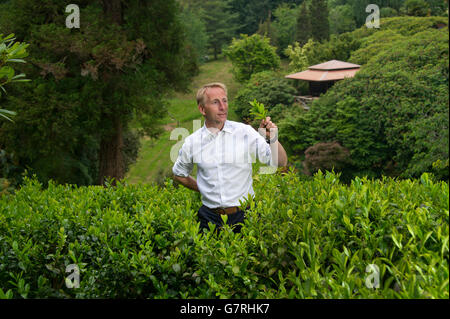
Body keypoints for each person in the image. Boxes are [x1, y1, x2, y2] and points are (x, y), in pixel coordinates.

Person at [172, 82, 287, 233]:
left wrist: (272, 138)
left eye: (225, 100)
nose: (223, 107)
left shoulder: (245, 132)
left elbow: (279, 163)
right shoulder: (192, 142)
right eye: (215, 102)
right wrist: (205, 189)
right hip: (209, 219)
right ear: (202, 109)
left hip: (246, 215)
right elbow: (179, 175)